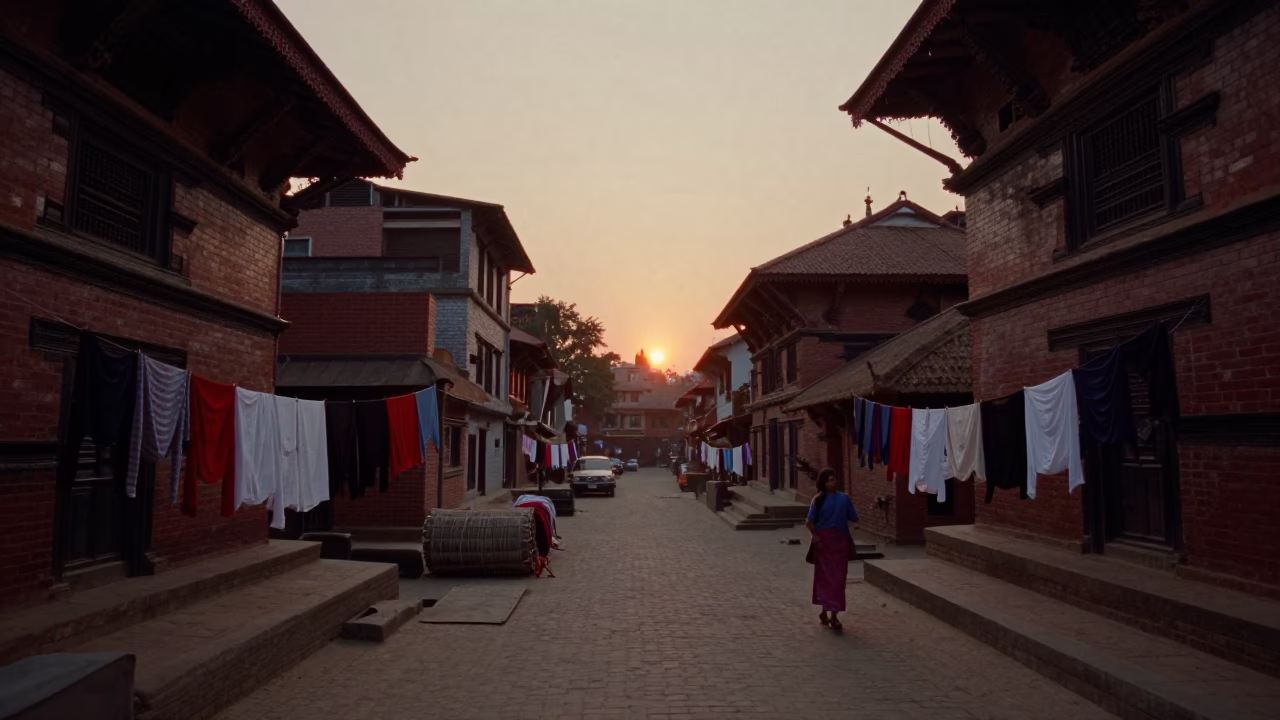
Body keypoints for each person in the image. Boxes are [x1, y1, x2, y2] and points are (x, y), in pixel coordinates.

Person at [806, 468, 858, 631]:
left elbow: (854, 517)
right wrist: (815, 536)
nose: (832, 483)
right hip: (824, 544)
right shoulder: (818, 500)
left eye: (834, 479)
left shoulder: (844, 499)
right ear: (823, 482)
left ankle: (833, 614)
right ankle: (825, 611)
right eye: (829, 480)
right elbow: (809, 522)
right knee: (825, 579)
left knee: (838, 579)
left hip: (839, 543)